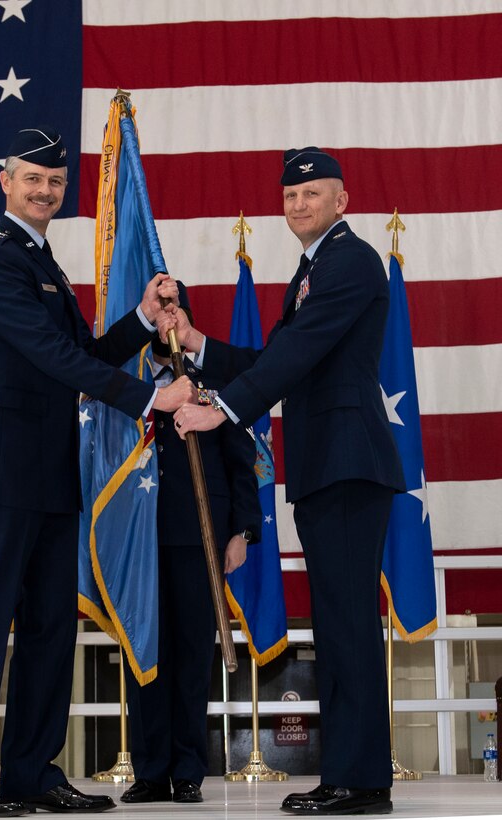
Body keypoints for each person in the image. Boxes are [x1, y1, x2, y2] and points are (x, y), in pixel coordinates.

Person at [0, 126, 195, 818]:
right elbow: (52, 357)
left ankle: (30, 774)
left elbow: (88, 353)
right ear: (5, 181)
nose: (45, 191)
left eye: (55, 182)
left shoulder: (43, 263)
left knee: (50, 629)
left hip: (49, 475)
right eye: (32, 179)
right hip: (1, 473)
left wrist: (140, 318)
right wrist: (150, 397)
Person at [170, 148, 405, 816]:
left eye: (313, 194)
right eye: (290, 196)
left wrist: (221, 409)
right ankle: (348, 774)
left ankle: (359, 782)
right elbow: (276, 357)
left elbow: (298, 355)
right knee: (335, 622)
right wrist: (199, 342)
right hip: (326, 466)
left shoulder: (350, 262)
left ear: (342, 200)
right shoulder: (313, 269)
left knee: (349, 624)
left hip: (349, 462)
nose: (299, 205)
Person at [119, 287, 261, 806]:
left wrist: (241, 531)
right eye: (161, 316)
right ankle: (151, 769)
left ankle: (187, 770)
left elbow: (241, 459)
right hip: (139, 540)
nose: (168, 324)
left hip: (201, 533)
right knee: (146, 652)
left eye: (177, 316)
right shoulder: (128, 388)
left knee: (193, 652)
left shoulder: (213, 384)